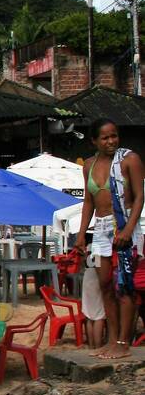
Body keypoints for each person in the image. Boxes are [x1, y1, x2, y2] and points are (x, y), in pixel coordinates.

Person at [74, 119, 144, 359]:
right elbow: (88, 202)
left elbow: (139, 197)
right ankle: (112, 339)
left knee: (124, 285)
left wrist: (128, 230)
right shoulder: (90, 166)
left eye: (114, 136)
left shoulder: (129, 160)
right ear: (94, 141)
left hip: (124, 225)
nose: (111, 141)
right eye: (105, 138)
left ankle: (124, 341)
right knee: (105, 284)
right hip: (101, 228)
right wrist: (82, 234)